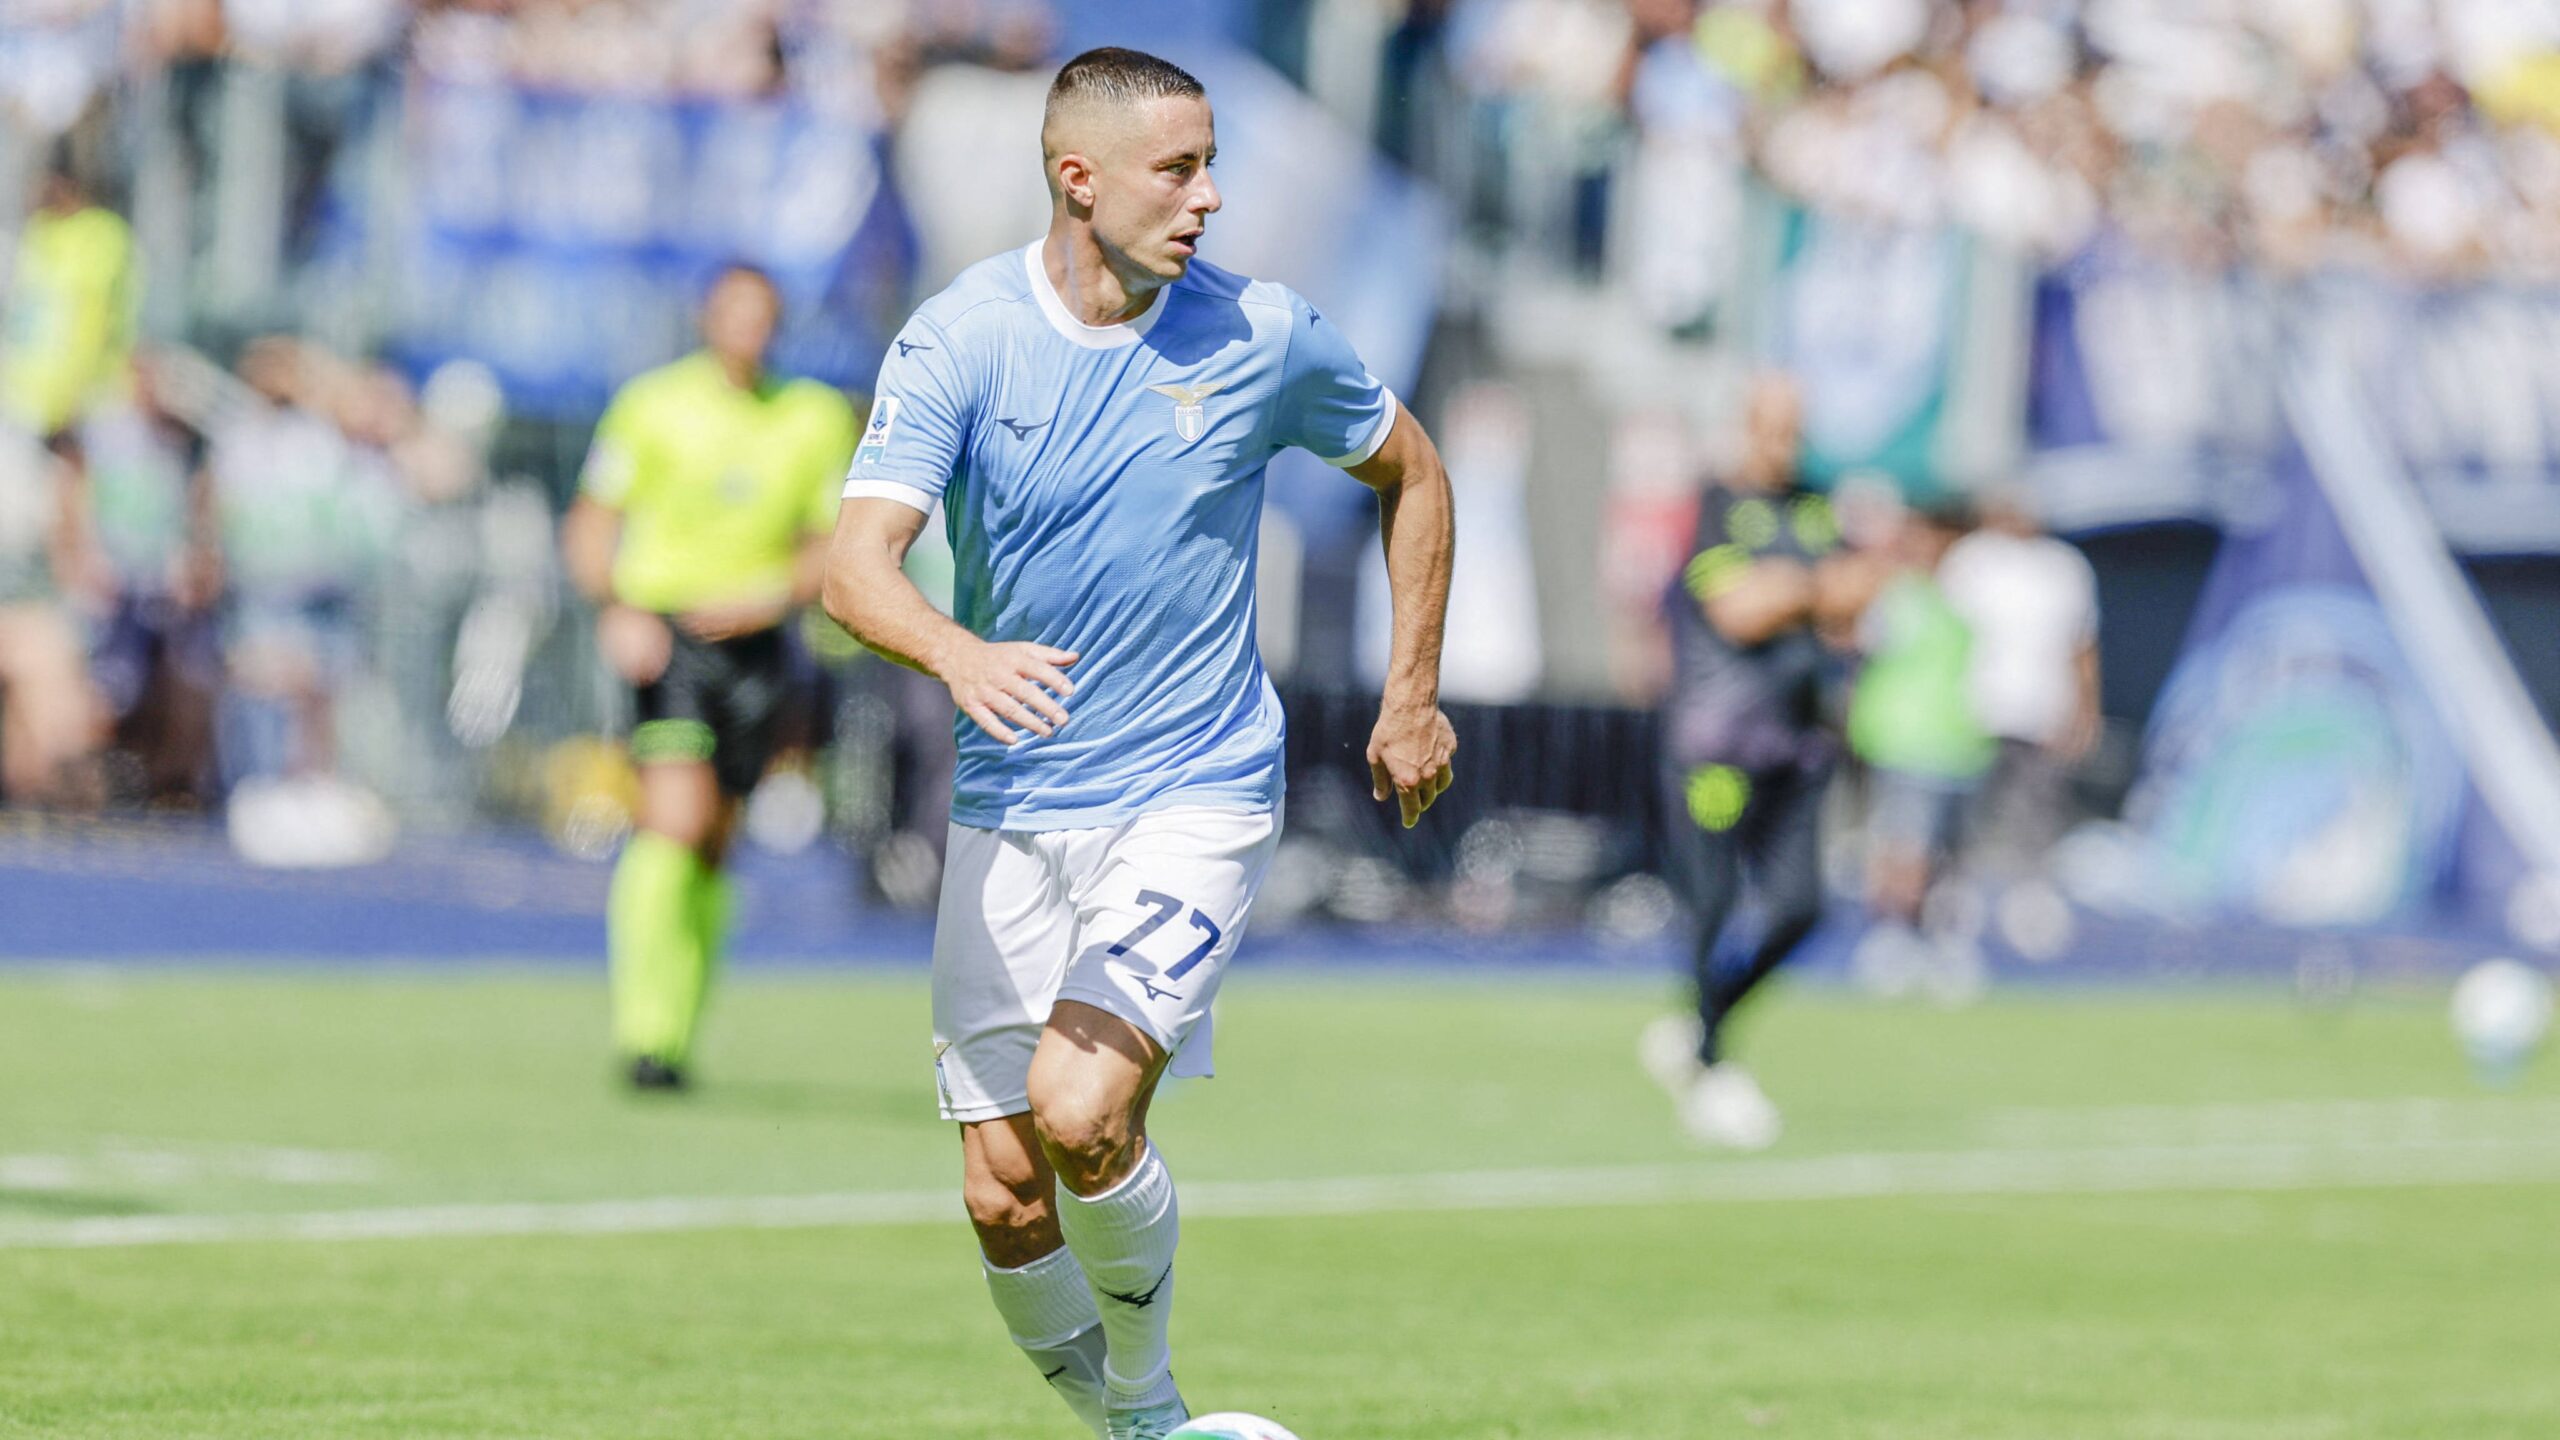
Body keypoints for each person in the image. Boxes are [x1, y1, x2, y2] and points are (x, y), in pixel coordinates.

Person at [822, 48, 1458, 1440]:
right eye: (1178, 170)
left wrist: (1410, 694)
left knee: (1082, 1108)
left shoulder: (1263, 334)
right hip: (1012, 802)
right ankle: (1135, 1432)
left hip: (1194, 787)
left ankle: (1154, 1407)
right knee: (1005, 1192)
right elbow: (855, 571)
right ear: (1079, 179)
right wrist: (960, 652)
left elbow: (1412, 468)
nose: (1208, 197)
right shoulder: (961, 338)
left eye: (1210, 165)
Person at [562, 264, 857, 1092]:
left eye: (762, 315)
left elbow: (834, 540)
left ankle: (680, 1032)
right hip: (671, 639)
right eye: (733, 312)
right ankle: (644, 1033)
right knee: (674, 819)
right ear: (707, 318)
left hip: (759, 649)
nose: (747, 329)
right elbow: (592, 522)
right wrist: (617, 606)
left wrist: (775, 593)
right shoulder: (651, 404)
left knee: (718, 838)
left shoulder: (812, 416)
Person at [1638, 374, 1852, 1150]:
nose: (1786, 444)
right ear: (1745, 426)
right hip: (1717, 745)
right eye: (1773, 427)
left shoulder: (1816, 504)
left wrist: (1796, 589)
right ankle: (1709, 1064)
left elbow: (1861, 591)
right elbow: (1739, 610)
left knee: (1803, 908)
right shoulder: (1715, 504)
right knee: (1714, 904)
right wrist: (1811, 590)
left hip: (1798, 742)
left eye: (1795, 427)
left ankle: (1702, 1025)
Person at [1938, 486, 2099, 883]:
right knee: (1970, 814)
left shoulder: (2065, 566)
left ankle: (2025, 893)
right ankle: (1962, 891)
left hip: (2042, 714)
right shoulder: (1971, 558)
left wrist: (2086, 711)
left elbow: (2082, 645)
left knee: (2034, 814)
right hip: (1974, 712)